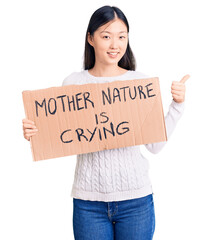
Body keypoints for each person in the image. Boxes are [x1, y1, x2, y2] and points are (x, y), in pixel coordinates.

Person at [22, 5, 190, 240]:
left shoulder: (139, 84)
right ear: (90, 38)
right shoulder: (73, 84)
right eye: (106, 36)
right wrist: (35, 132)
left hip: (136, 201)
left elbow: (155, 146)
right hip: (88, 204)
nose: (115, 45)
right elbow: (62, 136)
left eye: (122, 37)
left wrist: (177, 106)